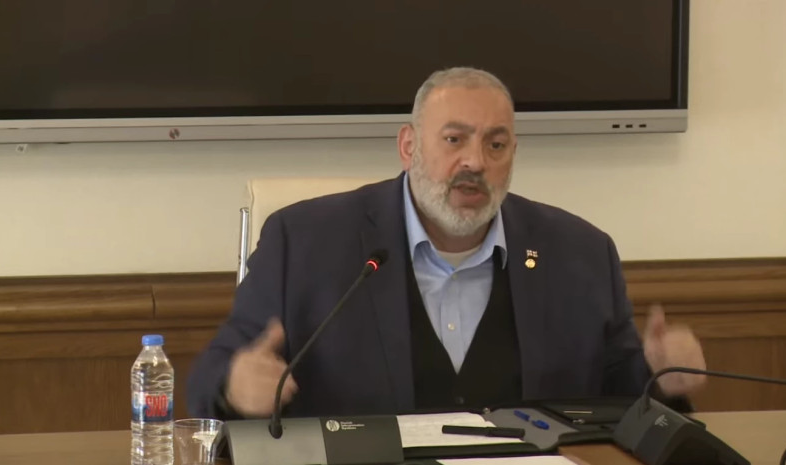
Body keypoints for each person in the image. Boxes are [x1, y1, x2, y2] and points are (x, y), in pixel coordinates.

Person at [187, 67, 706, 420]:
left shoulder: (579, 254)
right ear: (408, 145)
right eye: (454, 139)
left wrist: (663, 377)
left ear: (513, 153)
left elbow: (621, 397)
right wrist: (234, 387)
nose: (475, 162)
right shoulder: (303, 242)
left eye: (495, 144)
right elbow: (208, 378)